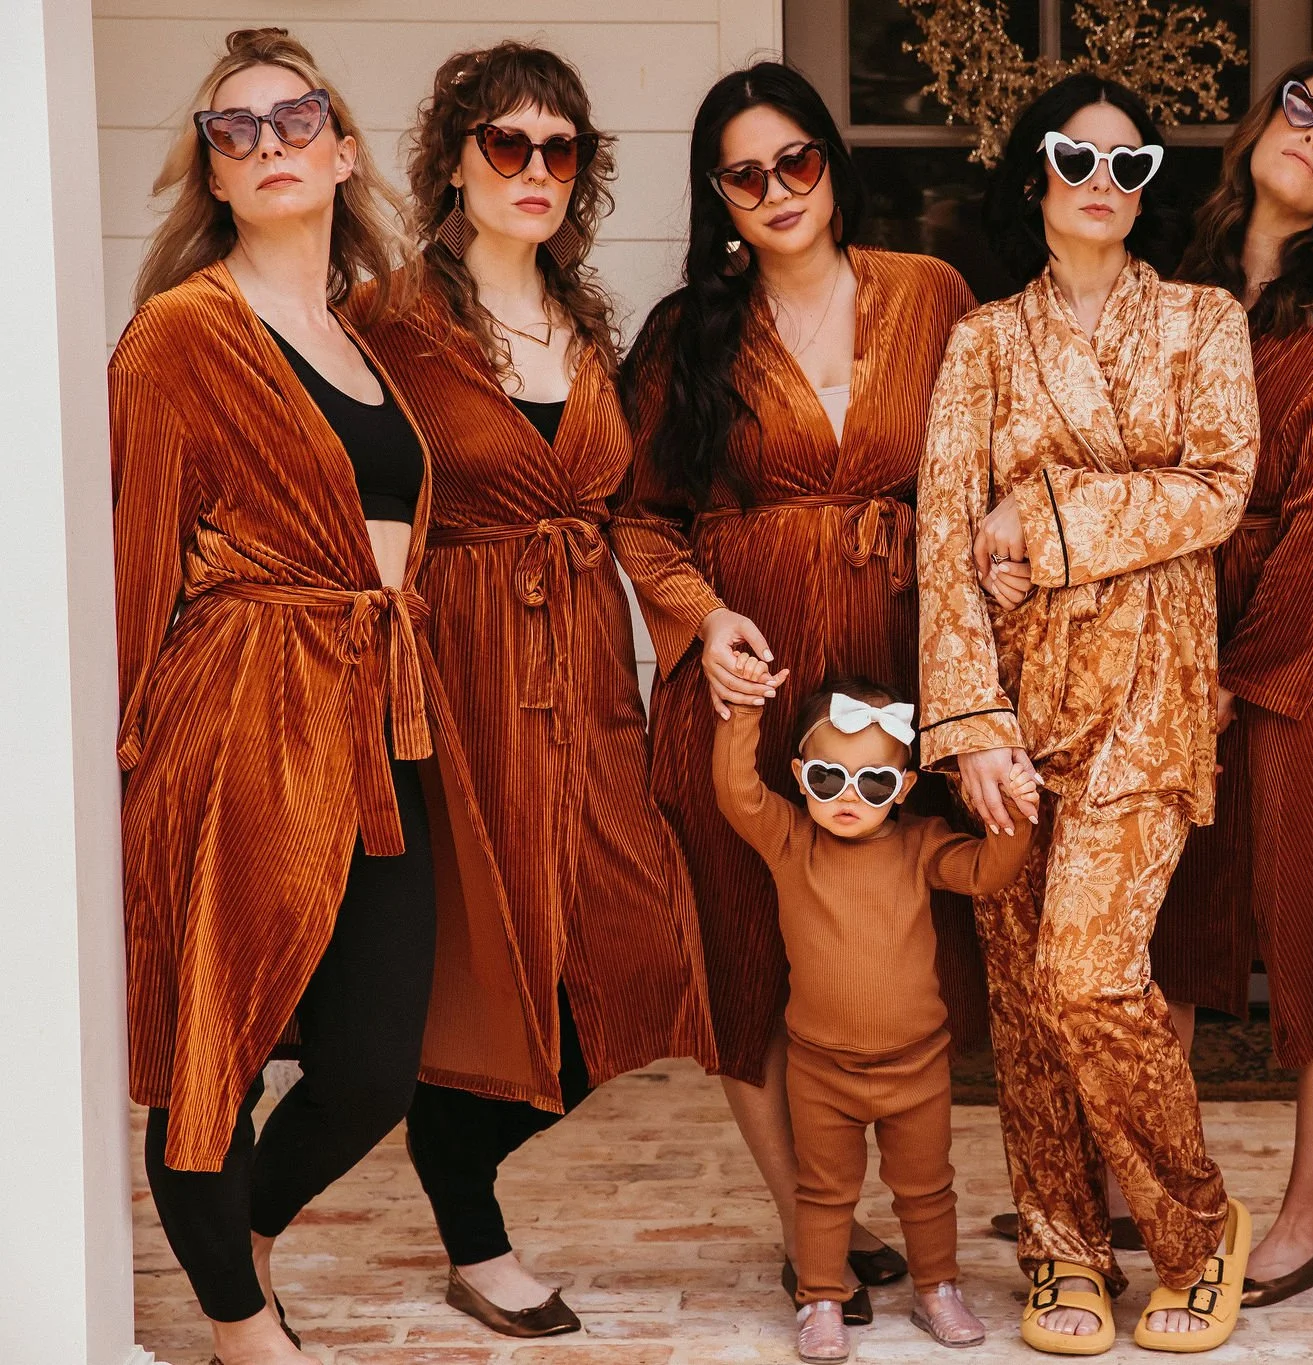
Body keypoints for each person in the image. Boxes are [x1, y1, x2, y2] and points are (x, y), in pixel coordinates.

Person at [113, 28, 539, 1365]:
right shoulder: (180, 338)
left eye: (295, 118)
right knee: (215, 1046)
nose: (269, 142)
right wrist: (122, 765)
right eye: (234, 130)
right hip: (240, 709)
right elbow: (134, 567)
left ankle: (238, 1246)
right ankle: (245, 1334)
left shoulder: (360, 340)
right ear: (214, 174)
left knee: (368, 1069)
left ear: (344, 151)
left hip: (381, 713)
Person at [353, 41, 717, 1337]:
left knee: (635, 941)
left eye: (560, 148)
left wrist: (700, 621)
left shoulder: (583, 316)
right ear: (453, 154)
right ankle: (471, 1225)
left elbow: (616, 509)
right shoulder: (389, 320)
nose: (536, 169)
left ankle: (452, 1149)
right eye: (508, 143)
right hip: (461, 673)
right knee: (487, 956)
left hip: (588, 681)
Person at [614, 61, 978, 1321]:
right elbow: (641, 515)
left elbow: (986, 471)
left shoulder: (930, 296)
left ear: (832, 161)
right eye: (744, 174)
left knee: (890, 937)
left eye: (795, 161)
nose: (775, 191)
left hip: (896, 661)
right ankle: (806, 1221)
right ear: (718, 194)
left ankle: (918, 1209)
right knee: (745, 950)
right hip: (742, 688)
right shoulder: (686, 334)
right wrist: (702, 622)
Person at [919, 72, 1257, 1354]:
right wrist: (969, 725)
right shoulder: (983, 342)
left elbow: (1216, 487)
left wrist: (1045, 520)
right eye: (1078, 157)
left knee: (1089, 972)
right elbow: (944, 540)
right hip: (1016, 697)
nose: (1103, 184)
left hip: (1152, 694)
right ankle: (1058, 1247)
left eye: (1130, 165)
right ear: (1034, 172)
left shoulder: (1202, 322)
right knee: (1021, 998)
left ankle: (1191, 1231)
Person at [1146, 54, 1313, 1307]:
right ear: (1263, 124)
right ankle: (1152, 1189)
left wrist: (1229, 674)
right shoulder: (1170, 273)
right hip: (1186, 618)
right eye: (1303, 110)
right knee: (1174, 913)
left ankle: (1305, 1225)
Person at [713, 676, 1036, 1362]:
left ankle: (938, 1288)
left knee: (926, 1189)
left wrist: (1018, 813)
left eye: (873, 781)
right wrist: (741, 716)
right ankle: (821, 1296)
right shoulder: (790, 841)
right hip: (820, 1066)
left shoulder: (921, 845)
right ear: (801, 777)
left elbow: (987, 871)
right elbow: (738, 794)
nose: (849, 797)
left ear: (906, 783)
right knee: (824, 1192)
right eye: (829, 778)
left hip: (916, 1065)